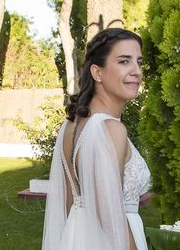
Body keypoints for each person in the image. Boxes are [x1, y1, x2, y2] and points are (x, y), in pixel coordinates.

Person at [42, 28, 152, 250]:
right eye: (124, 61)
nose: (136, 71)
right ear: (97, 72)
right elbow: (111, 218)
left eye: (139, 62)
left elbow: (69, 200)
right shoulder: (111, 129)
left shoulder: (71, 124)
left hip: (76, 237)